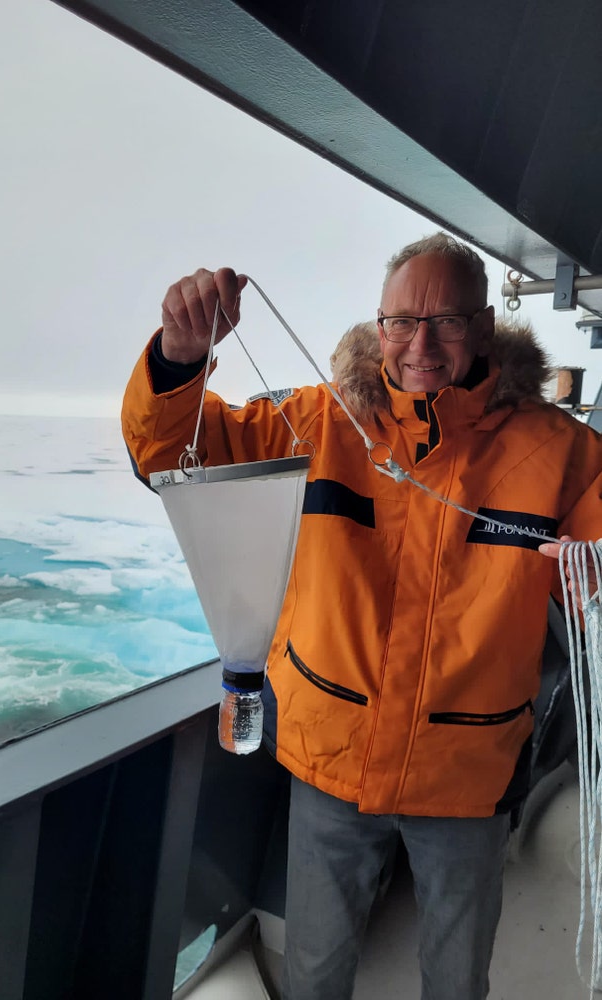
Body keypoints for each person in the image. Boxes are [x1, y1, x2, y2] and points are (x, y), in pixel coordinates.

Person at [121, 233, 602, 1000]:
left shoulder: (564, 454)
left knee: (457, 979)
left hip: (466, 778)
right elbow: (171, 454)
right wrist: (178, 357)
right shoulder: (316, 420)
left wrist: (590, 577)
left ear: (482, 328)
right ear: (378, 328)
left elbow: (597, 576)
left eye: (445, 320)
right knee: (314, 972)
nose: (421, 343)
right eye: (401, 321)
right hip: (331, 761)